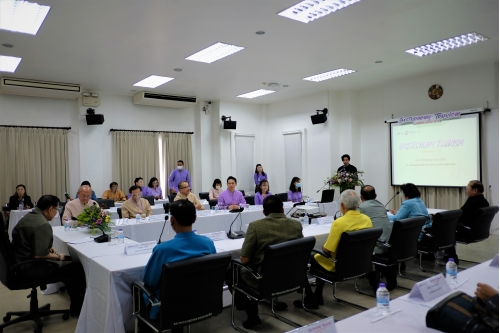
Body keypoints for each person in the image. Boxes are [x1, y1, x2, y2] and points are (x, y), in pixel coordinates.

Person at [226, 195, 303, 329]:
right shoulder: (296, 225)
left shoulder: (256, 227)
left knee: (230, 271)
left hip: (263, 280)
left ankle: (251, 312)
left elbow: (244, 259)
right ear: (283, 209)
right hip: (291, 278)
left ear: (264, 212)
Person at [294, 190, 372, 309]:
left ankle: (310, 297)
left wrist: (326, 245)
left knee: (306, 258)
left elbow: (326, 251)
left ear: (342, 205)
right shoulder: (367, 219)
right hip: (359, 264)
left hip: (338, 266)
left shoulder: (339, 223)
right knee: (318, 259)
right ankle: (318, 294)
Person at [11, 195, 86, 316]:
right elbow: (40, 255)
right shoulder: (42, 224)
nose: (57, 212)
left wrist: (46, 248)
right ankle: (77, 309)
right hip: (31, 267)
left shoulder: (30, 217)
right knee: (76, 269)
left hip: (19, 262)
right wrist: (57, 256)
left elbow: (29, 241)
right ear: (50, 209)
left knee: (70, 264)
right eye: (56, 209)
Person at [142, 200, 215, 325]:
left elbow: (149, 282)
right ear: (195, 218)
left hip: (169, 308)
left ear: (171, 220)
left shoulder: (163, 250)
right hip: (201, 302)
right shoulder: (208, 243)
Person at [359, 185, 395, 290]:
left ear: (361, 198)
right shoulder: (381, 206)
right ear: (375, 196)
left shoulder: (361, 208)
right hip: (391, 244)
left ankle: (373, 280)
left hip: (378, 245)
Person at [446, 180, 490, 264]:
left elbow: (461, 217)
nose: (466, 191)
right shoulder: (484, 201)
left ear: (475, 190)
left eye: (467, 188)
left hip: (467, 232)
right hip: (478, 232)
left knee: (444, 229)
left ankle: (451, 257)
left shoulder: (472, 203)